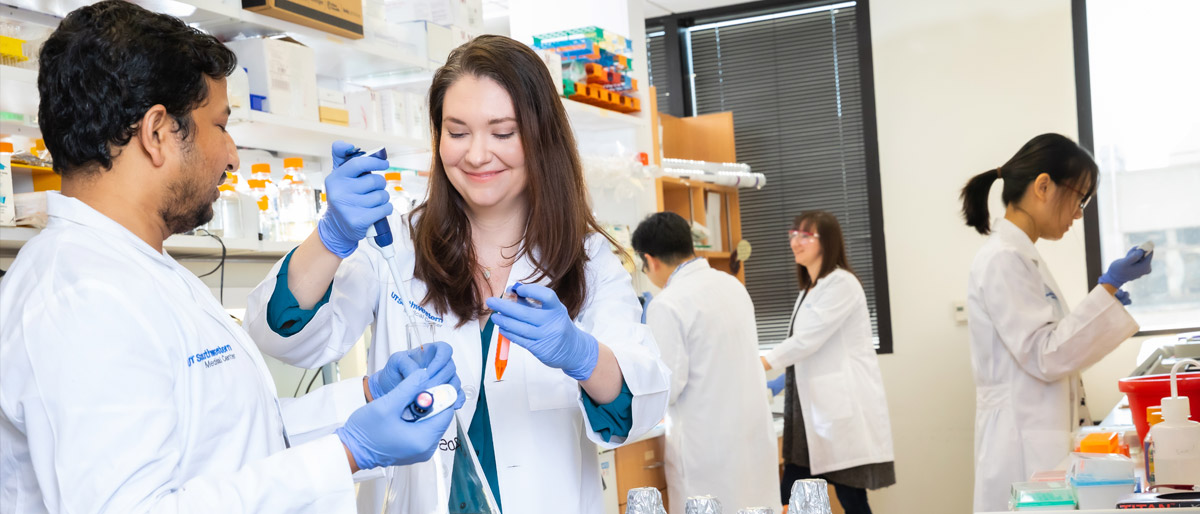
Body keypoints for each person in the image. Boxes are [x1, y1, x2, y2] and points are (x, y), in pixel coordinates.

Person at [0, 3, 461, 512]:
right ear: (157, 133)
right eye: (220, 126)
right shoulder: (79, 297)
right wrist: (348, 453)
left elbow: (237, 438)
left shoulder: (134, 271)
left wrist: (367, 398)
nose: (233, 156)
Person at [243, 35, 670, 513]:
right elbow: (281, 335)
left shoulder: (586, 258)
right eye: (458, 131)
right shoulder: (398, 245)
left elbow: (641, 401)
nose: (476, 155)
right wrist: (332, 237)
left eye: (503, 133)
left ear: (541, 136)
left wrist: (581, 354)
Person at [960, 133, 1152, 512]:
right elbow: (1045, 355)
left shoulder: (1022, 257)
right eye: (1079, 198)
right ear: (1043, 186)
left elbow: (1050, 344)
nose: (1079, 213)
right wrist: (1107, 288)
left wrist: (1105, 298)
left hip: (1034, 437)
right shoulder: (1003, 259)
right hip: (1018, 445)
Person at [631, 212, 781, 513]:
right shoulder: (732, 286)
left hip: (708, 450)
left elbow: (668, 388)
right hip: (751, 441)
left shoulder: (667, 304)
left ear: (651, 260)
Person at [762, 211, 895, 514]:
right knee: (793, 495)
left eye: (805, 236)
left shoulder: (841, 283)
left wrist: (760, 363)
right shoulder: (809, 290)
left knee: (850, 500)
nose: (796, 242)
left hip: (837, 412)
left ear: (828, 241)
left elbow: (808, 340)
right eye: (793, 234)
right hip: (811, 414)